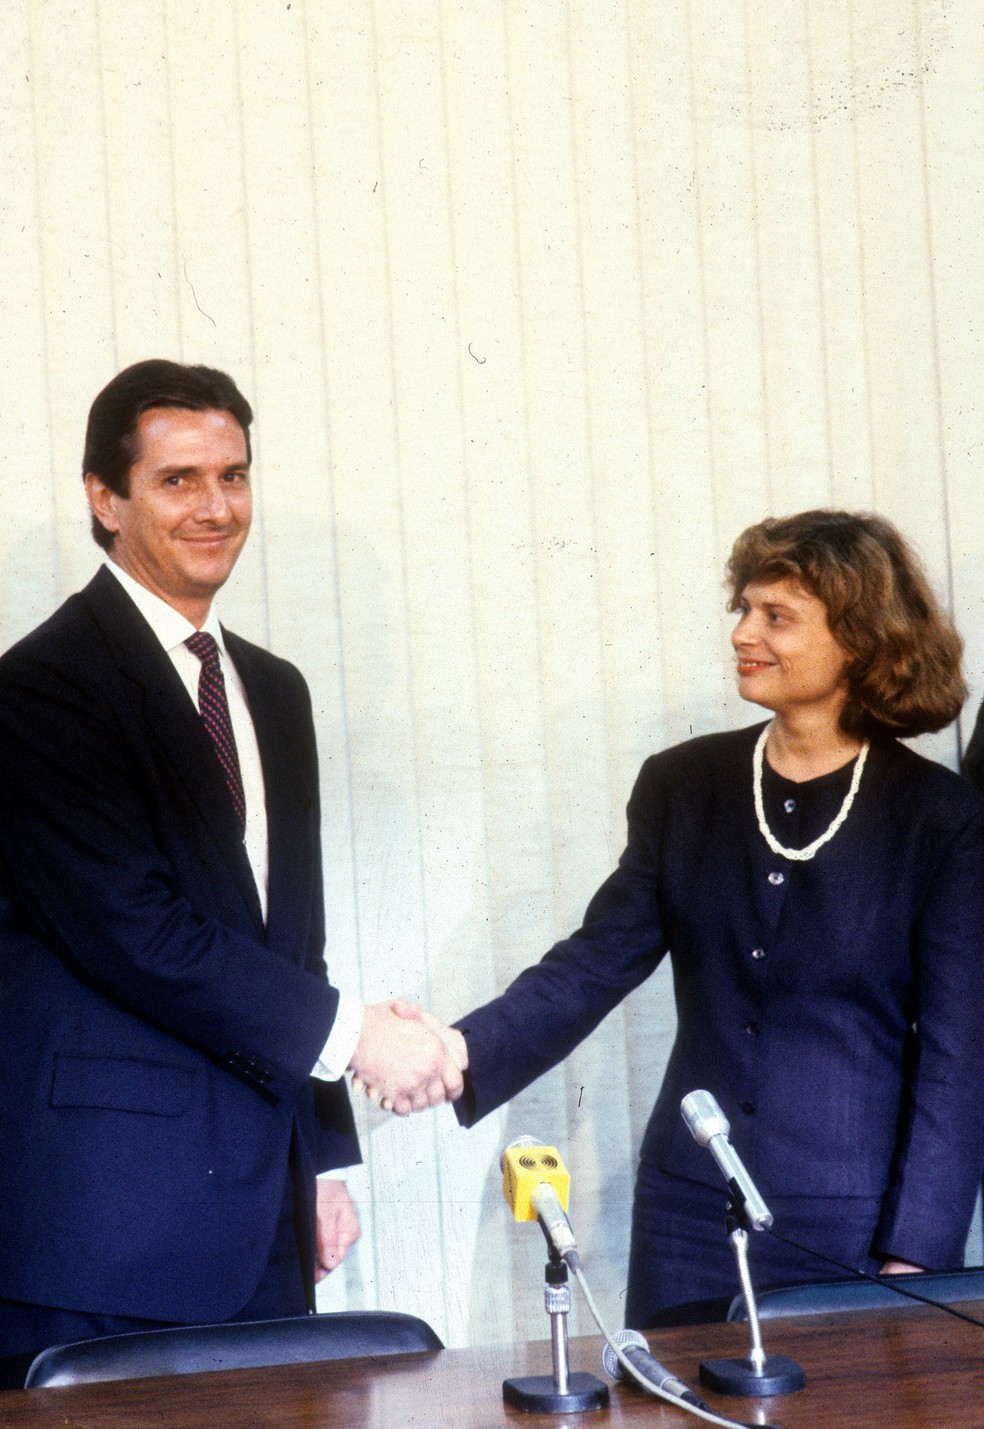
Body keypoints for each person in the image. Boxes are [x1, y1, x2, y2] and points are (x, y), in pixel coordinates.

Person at [386, 509, 984, 1327]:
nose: (745, 632)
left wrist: (918, 1250)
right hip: (686, 1215)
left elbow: (959, 1057)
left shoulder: (942, 817)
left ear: (860, 640)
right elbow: (594, 961)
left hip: (851, 1222)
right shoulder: (685, 785)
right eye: (744, 607)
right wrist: (459, 1051)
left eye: (777, 616)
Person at [0, 360, 462, 1384]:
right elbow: (139, 930)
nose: (216, 508)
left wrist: (323, 1157)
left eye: (235, 475)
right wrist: (359, 1040)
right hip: (103, 1226)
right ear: (104, 498)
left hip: (261, 1216)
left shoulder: (273, 688)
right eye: (178, 480)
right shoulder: (39, 692)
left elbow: (289, 946)